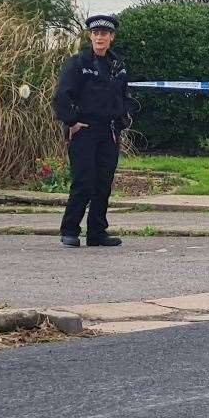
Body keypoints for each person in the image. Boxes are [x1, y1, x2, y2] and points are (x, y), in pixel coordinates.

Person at [53, 14, 131, 248]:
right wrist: (72, 122)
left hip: (108, 132)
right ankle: (70, 230)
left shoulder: (118, 66)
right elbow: (61, 96)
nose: (100, 37)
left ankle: (97, 233)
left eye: (104, 34)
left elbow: (123, 96)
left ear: (111, 38)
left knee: (103, 184)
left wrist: (122, 120)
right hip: (84, 130)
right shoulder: (78, 63)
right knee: (83, 181)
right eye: (96, 33)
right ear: (90, 36)